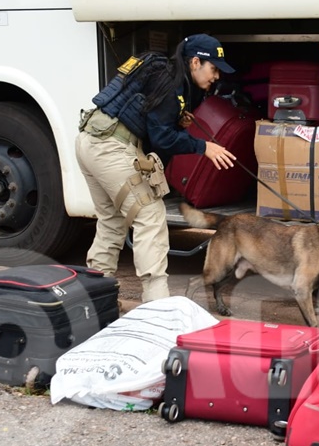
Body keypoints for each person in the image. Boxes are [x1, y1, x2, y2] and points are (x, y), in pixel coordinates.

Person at [76, 33, 237, 302]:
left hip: (89, 141)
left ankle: (94, 299)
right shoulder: (171, 83)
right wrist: (203, 147)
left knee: (112, 222)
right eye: (214, 69)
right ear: (195, 62)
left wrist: (175, 121)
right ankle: (156, 304)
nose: (217, 76)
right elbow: (162, 139)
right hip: (111, 148)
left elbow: (148, 119)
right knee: (150, 215)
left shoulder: (164, 71)